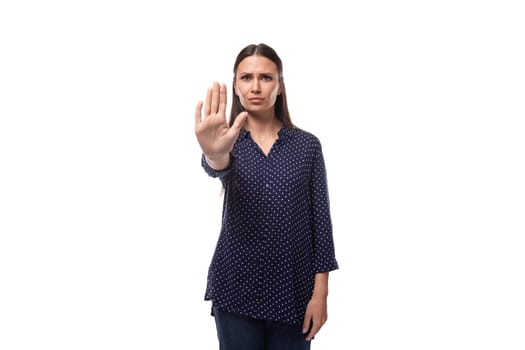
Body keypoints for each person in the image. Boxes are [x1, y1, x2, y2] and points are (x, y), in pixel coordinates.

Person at [194, 43, 338, 350]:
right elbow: (219, 166)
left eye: (266, 78)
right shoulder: (227, 142)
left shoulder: (307, 146)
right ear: (235, 85)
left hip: (293, 291)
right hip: (235, 289)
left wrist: (320, 293)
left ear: (280, 86)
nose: (255, 87)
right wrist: (214, 153)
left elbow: (320, 223)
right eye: (246, 78)